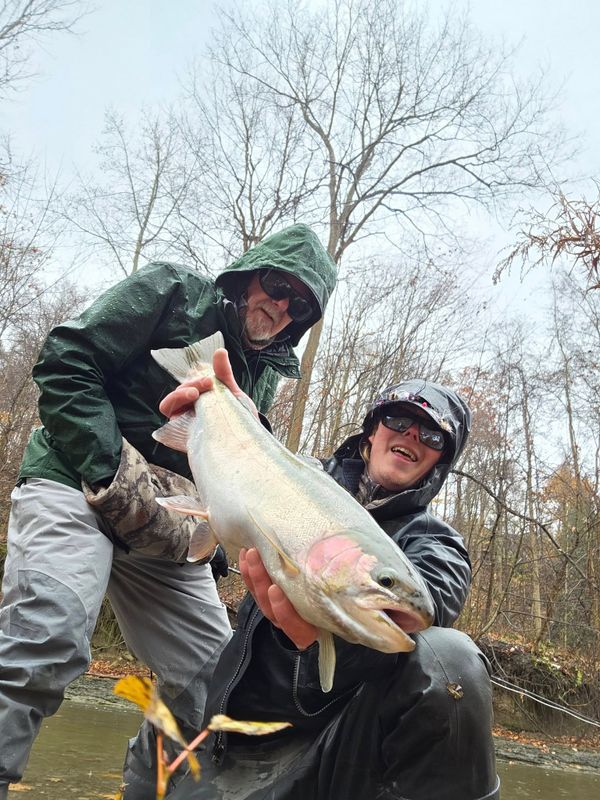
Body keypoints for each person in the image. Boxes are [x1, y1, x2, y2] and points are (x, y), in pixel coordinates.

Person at [0, 223, 337, 800]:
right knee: (47, 631)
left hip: (165, 528)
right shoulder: (173, 291)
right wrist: (108, 468)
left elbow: (221, 474)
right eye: (277, 285)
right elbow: (65, 360)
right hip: (73, 482)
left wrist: (217, 546)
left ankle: (145, 787)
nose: (280, 305)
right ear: (249, 274)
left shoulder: (262, 377)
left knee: (215, 683)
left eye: (298, 303)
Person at [161, 360, 500, 800]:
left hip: (344, 753)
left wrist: (328, 636)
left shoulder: (438, 545)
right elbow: (247, 488)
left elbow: (423, 614)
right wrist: (234, 425)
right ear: (372, 432)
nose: (412, 436)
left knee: (451, 659)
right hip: (234, 740)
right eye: (400, 420)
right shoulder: (301, 476)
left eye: (433, 435)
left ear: (439, 463)